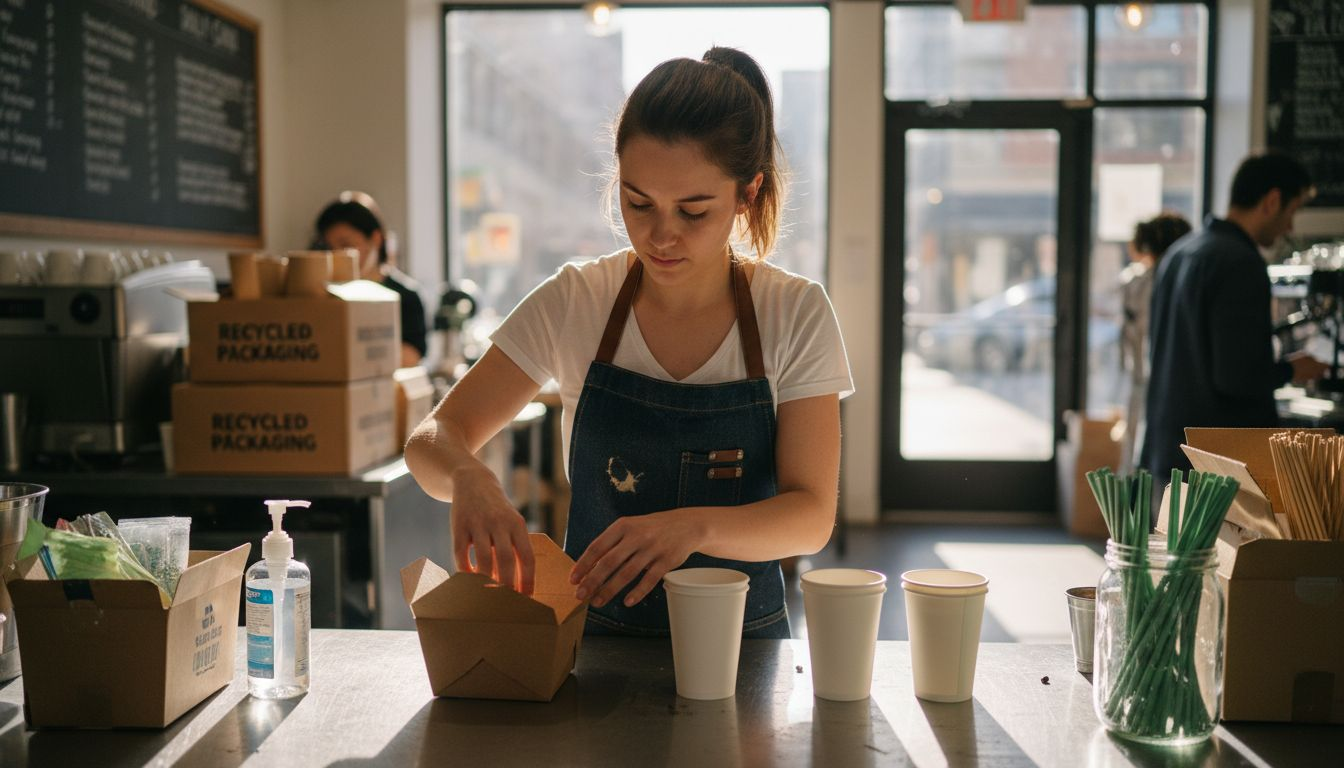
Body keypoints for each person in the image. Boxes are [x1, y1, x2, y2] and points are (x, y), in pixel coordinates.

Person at [405, 47, 852, 639]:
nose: (660, 235)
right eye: (638, 203)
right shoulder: (577, 301)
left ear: (748, 194)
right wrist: (468, 477)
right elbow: (430, 439)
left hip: (742, 653)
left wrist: (691, 528)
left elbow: (811, 517)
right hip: (592, 645)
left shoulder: (793, 313)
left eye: (693, 211)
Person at [1141, 152, 1329, 480]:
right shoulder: (1240, 262)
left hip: (1169, 452)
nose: (1290, 227)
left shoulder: (1180, 252)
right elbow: (1237, 377)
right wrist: (1292, 368)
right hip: (1218, 466)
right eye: (1292, 210)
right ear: (1272, 201)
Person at [314, 191, 428, 367]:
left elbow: (411, 357)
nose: (337, 255)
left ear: (375, 239)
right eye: (330, 247)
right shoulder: (324, 295)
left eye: (346, 245)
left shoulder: (405, 296)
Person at [1118, 212, 1191, 472]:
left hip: (1139, 382)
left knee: (1136, 468)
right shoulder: (1166, 282)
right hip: (1161, 387)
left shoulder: (1133, 282)